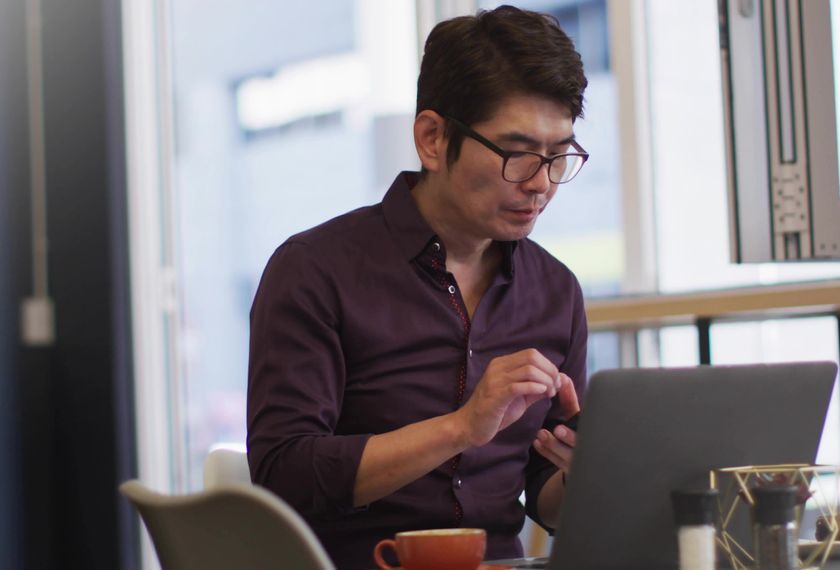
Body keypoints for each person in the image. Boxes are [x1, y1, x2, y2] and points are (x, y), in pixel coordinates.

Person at [247, 6, 590, 568]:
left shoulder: (555, 291)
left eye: (559, 156)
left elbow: (543, 489)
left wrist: (584, 476)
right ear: (433, 139)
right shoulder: (315, 270)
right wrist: (461, 428)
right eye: (518, 154)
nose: (540, 184)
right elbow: (284, 473)